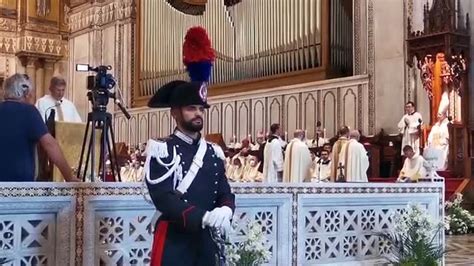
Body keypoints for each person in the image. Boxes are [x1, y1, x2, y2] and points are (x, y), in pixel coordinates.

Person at [144, 80, 235, 265]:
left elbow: (224, 191)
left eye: (201, 109)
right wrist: (203, 217)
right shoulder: (163, 149)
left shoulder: (213, 151)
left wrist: (226, 209)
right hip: (175, 242)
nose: (198, 114)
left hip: (206, 242)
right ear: (175, 113)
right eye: (191, 108)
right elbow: (163, 198)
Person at [0, 74, 79, 182]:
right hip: (20, 183)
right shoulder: (29, 111)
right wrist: (69, 177)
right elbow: (50, 145)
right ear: (25, 93)